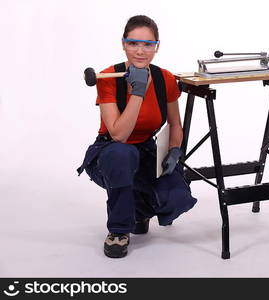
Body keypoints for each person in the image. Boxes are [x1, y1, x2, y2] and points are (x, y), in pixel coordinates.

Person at [77, 15, 197, 258]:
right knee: (122, 155)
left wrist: (174, 150)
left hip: (147, 151)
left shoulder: (165, 78)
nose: (140, 51)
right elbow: (119, 134)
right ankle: (119, 230)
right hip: (110, 153)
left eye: (148, 44)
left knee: (178, 198)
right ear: (123, 44)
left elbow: (175, 124)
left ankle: (136, 213)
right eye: (133, 43)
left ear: (157, 46)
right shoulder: (108, 78)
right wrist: (138, 92)